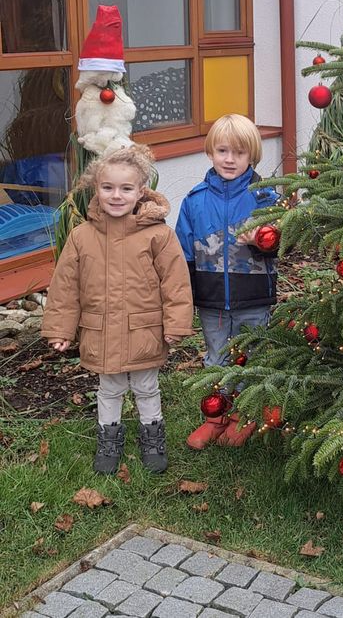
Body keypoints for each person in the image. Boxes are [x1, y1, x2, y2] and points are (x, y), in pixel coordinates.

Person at [41, 145, 193, 474]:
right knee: (109, 388)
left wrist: (176, 325)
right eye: (107, 187)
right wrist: (60, 329)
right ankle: (108, 439)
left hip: (144, 329)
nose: (116, 195)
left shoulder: (158, 235)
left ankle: (152, 436)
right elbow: (65, 287)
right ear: (96, 188)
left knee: (145, 386)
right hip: (102, 330)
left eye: (126, 188)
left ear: (141, 191)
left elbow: (175, 283)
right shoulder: (82, 237)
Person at [176, 114, 279, 450]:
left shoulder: (264, 197)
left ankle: (245, 415)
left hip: (253, 297)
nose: (230, 159)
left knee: (250, 356)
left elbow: (284, 240)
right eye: (222, 151)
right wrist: (186, 294)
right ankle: (215, 417)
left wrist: (260, 241)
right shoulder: (195, 200)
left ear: (252, 156)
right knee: (216, 356)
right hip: (211, 299)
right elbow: (183, 252)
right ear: (210, 153)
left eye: (239, 153)